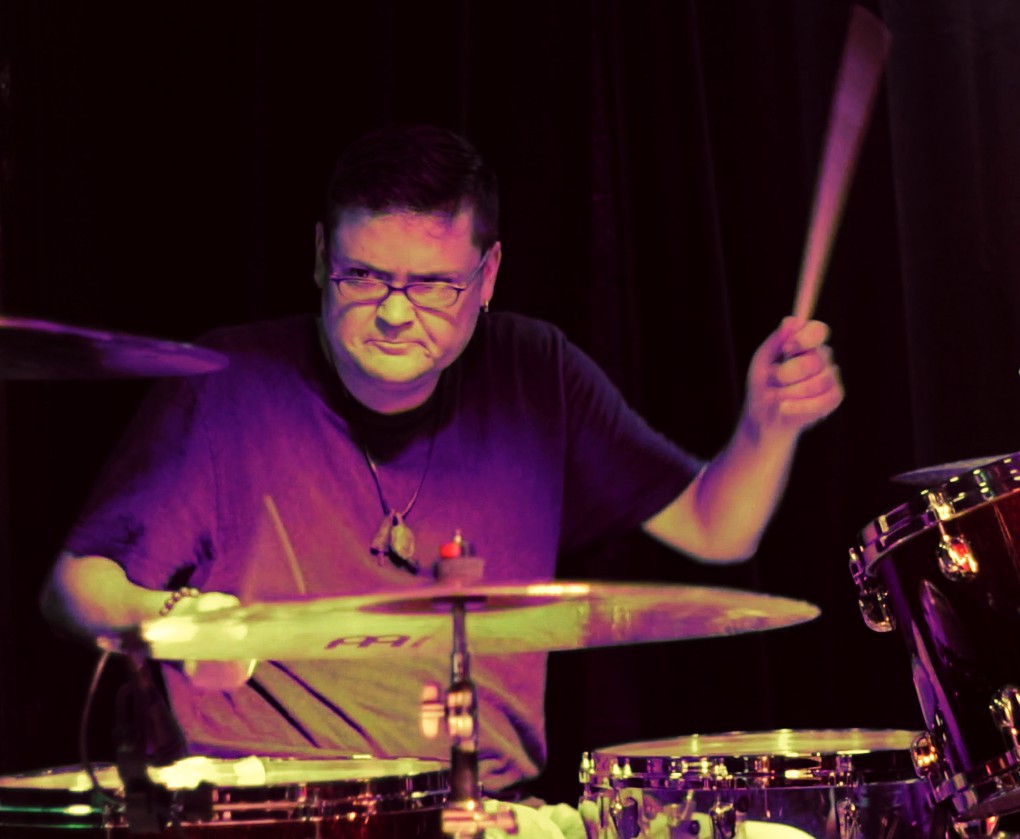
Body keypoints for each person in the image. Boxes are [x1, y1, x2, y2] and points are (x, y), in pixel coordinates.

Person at [40, 124, 843, 807]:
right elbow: (74, 585)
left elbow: (715, 527)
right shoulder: (226, 384)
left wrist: (766, 427)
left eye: (431, 285)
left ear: (487, 276)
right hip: (274, 810)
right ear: (320, 256)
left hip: (489, 809)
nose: (394, 312)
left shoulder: (537, 373)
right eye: (363, 275)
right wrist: (180, 619)